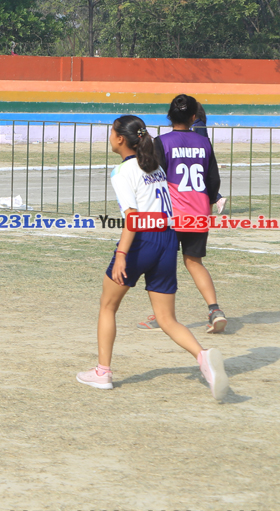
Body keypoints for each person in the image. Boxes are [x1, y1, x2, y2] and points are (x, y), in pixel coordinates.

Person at [75, 115, 228, 400]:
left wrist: (122, 254)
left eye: (111, 132)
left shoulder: (122, 171)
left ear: (120, 138)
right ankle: (203, 357)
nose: (109, 137)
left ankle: (102, 372)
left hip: (143, 240)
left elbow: (132, 218)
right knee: (167, 319)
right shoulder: (154, 166)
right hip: (167, 239)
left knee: (107, 306)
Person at [138, 94, 227, 334]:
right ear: (194, 117)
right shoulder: (204, 142)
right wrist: (209, 201)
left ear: (169, 116)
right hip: (199, 211)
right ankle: (215, 310)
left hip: (172, 213)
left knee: (162, 264)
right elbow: (213, 179)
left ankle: (162, 316)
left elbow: (156, 177)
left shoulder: (162, 142)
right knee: (194, 262)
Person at [191, 103, 227, 214]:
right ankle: (216, 199)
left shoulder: (198, 125)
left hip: (200, 156)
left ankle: (217, 198)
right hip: (199, 155)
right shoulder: (197, 124)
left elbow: (200, 141)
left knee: (200, 180)